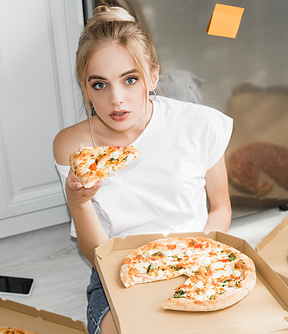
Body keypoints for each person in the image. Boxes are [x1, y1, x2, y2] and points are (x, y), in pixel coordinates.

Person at [53, 5, 233, 334]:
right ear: (85, 87)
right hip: (116, 270)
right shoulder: (73, 146)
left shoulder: (199, 124)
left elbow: (220, 208)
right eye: (100, 85)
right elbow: (97, 254)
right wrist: (79, 203)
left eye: (130, 79)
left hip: (195, 255)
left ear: (153, 76)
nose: (116, 100)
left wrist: (190, 257)